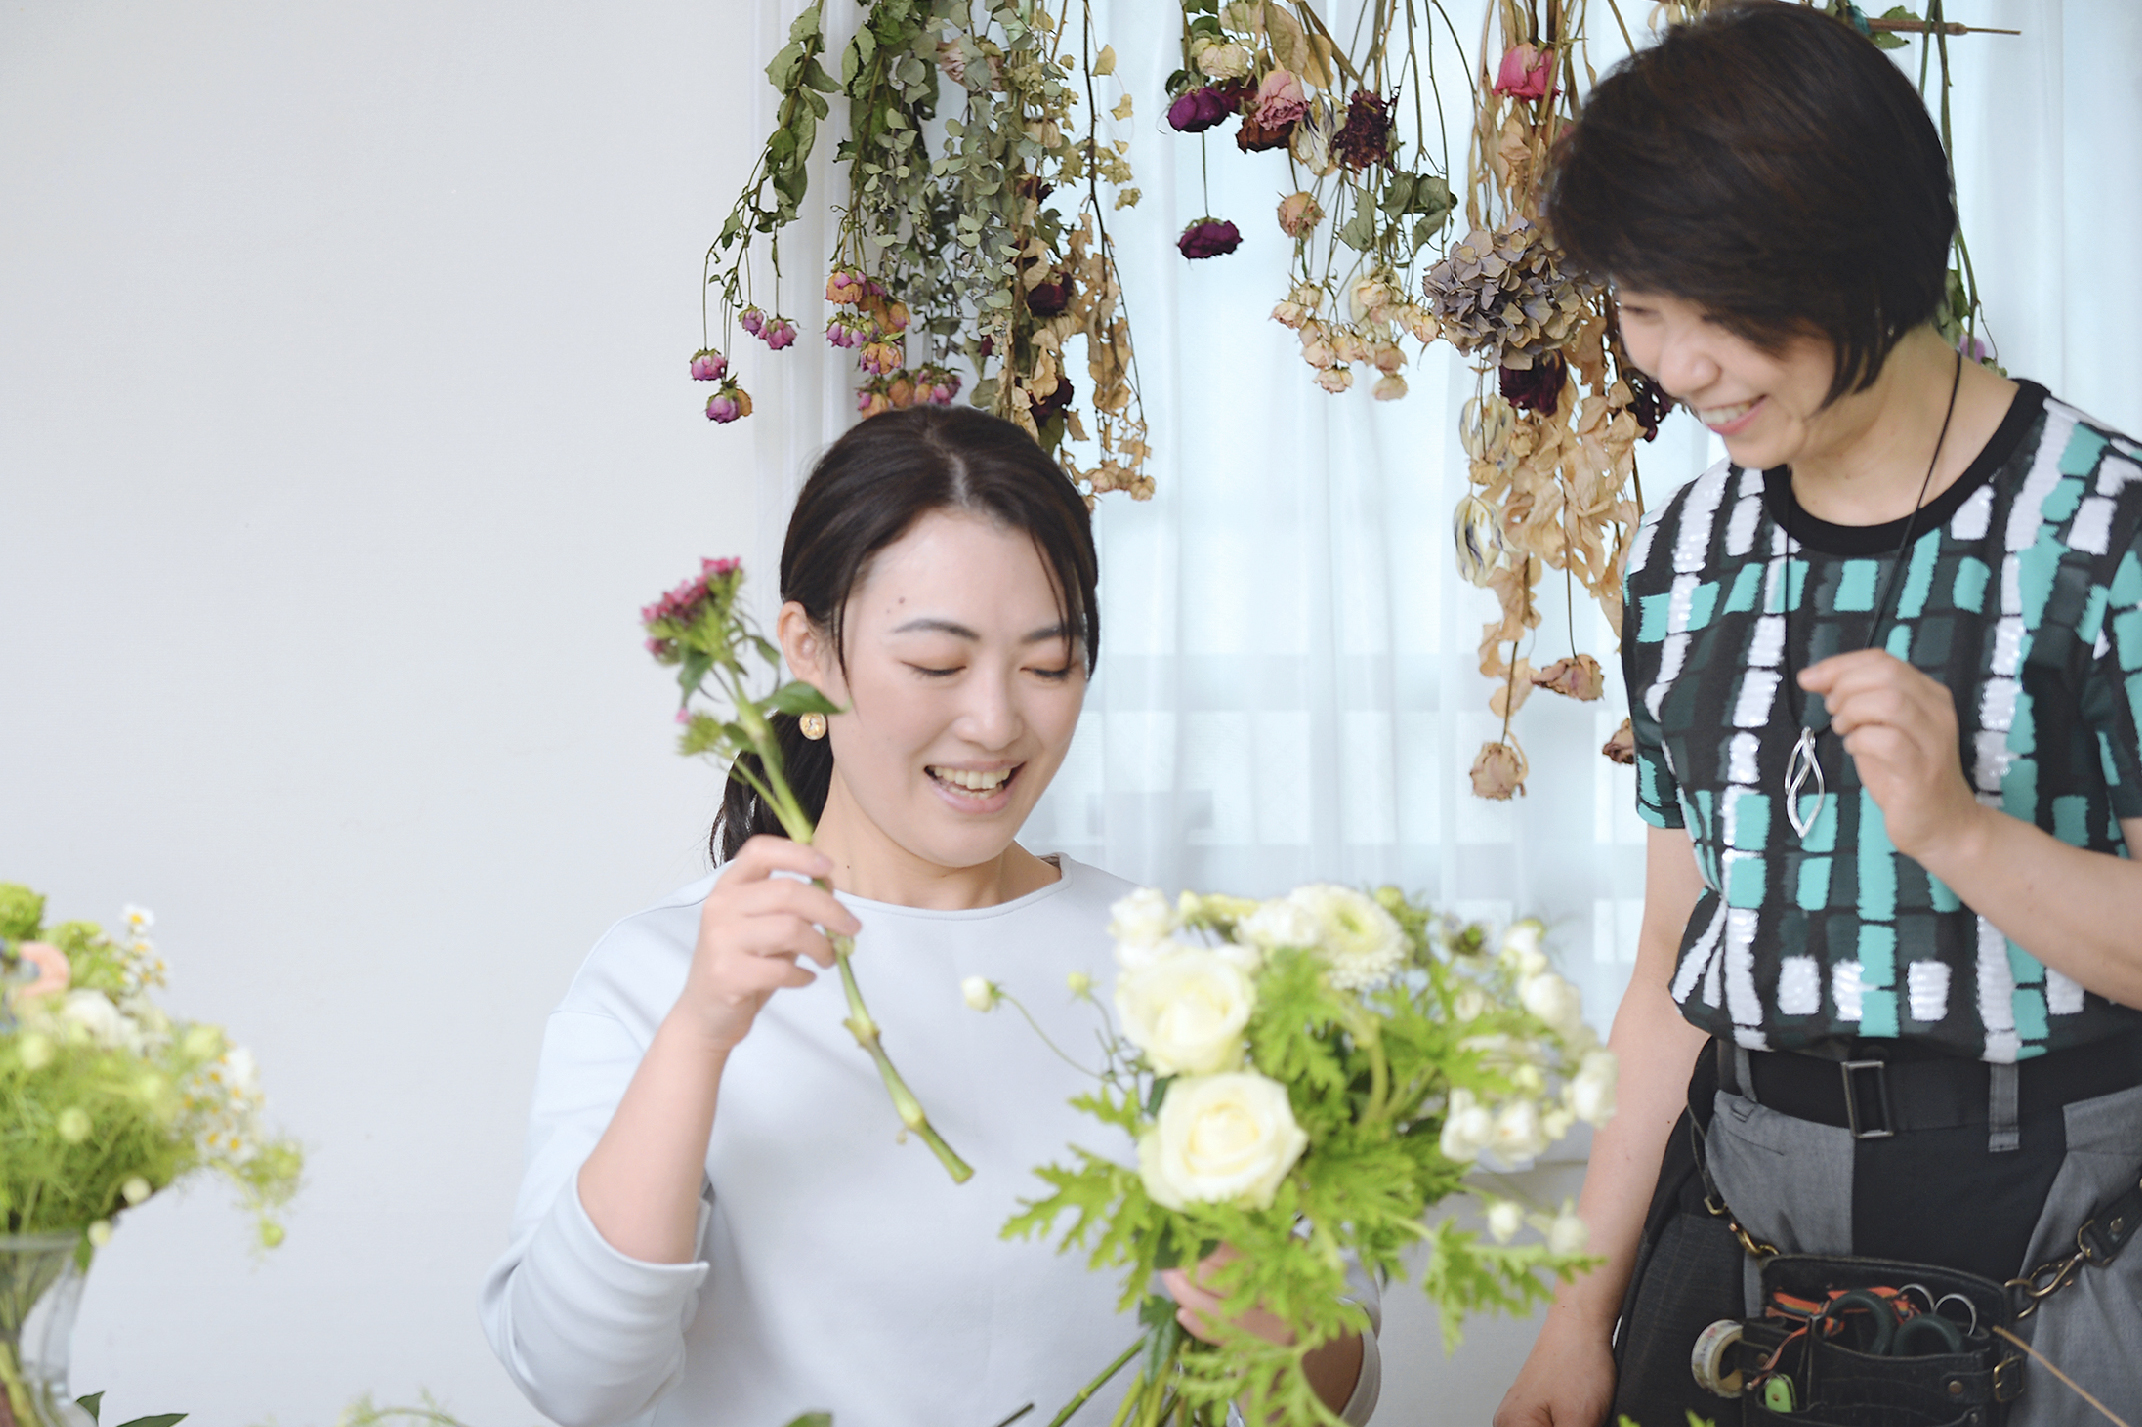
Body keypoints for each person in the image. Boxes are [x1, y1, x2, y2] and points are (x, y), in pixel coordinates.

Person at [1493, 6, 2142, 1425]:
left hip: (2057, 1220)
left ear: (1869, 255)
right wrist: (1576, 1315)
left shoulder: (2105, 529)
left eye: (1719, 304)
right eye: (1640, 304)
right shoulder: (1685, 551)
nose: (1675, 362)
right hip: (1745, 1206)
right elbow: (1670, 958)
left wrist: (1961, 832)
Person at [480, 406, 1380, 1427]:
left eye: (1047, 665)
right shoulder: (661, 977)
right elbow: (577, 1382)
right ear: (810, 650)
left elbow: (1340, 1390)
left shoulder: (1184, 966)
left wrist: (1278, 1325)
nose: (995, 723)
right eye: (938, 666)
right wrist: (697, 1035)